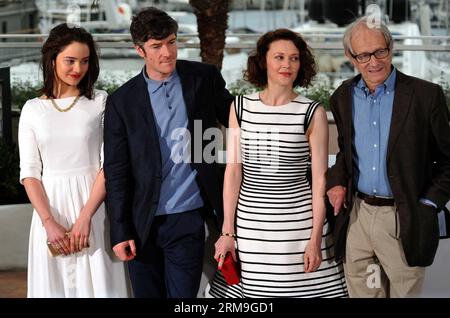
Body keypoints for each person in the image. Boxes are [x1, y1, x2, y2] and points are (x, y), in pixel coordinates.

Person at [206, 29, 348, 298]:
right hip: (250, 228)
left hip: (298, 228)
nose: (287, 65)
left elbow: (319, 181)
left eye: (294, 58)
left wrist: (315, 239)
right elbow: (233, 171)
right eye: (279, 57)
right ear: (263, 61)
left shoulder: (312, 112)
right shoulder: (239, 107)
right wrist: (228, 231)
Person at [103, 7, 233, 298]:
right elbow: (116, 171)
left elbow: (236, 116)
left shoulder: (203, 78)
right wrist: (121, 230)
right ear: (140, 50)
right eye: (157, 46)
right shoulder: (121, 102)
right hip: (141, 223)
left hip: (187, 215)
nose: (167, 52)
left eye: (172, 42)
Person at [326, 16, 450, 298]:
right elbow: (346, 151)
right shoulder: (343, 95)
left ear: (391, 47)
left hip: (404, 215)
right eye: (364, 55)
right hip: (357, 214)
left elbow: (448, 159)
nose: (374, 61)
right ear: (350, 56)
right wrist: (336, 181)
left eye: (380, 51)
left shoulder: (426, 96)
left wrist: (428, 204)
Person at [18, 23, 130, 297]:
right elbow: (30, 172)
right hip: (50, 209)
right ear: (52, 58)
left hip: (94, 206)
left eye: (84, 61)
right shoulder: (32, 109)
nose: (77, 69)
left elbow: (109, 164)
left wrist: (86, 217)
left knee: (101, 285)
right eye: (70, 61)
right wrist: (48, 222)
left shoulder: (101, 102)